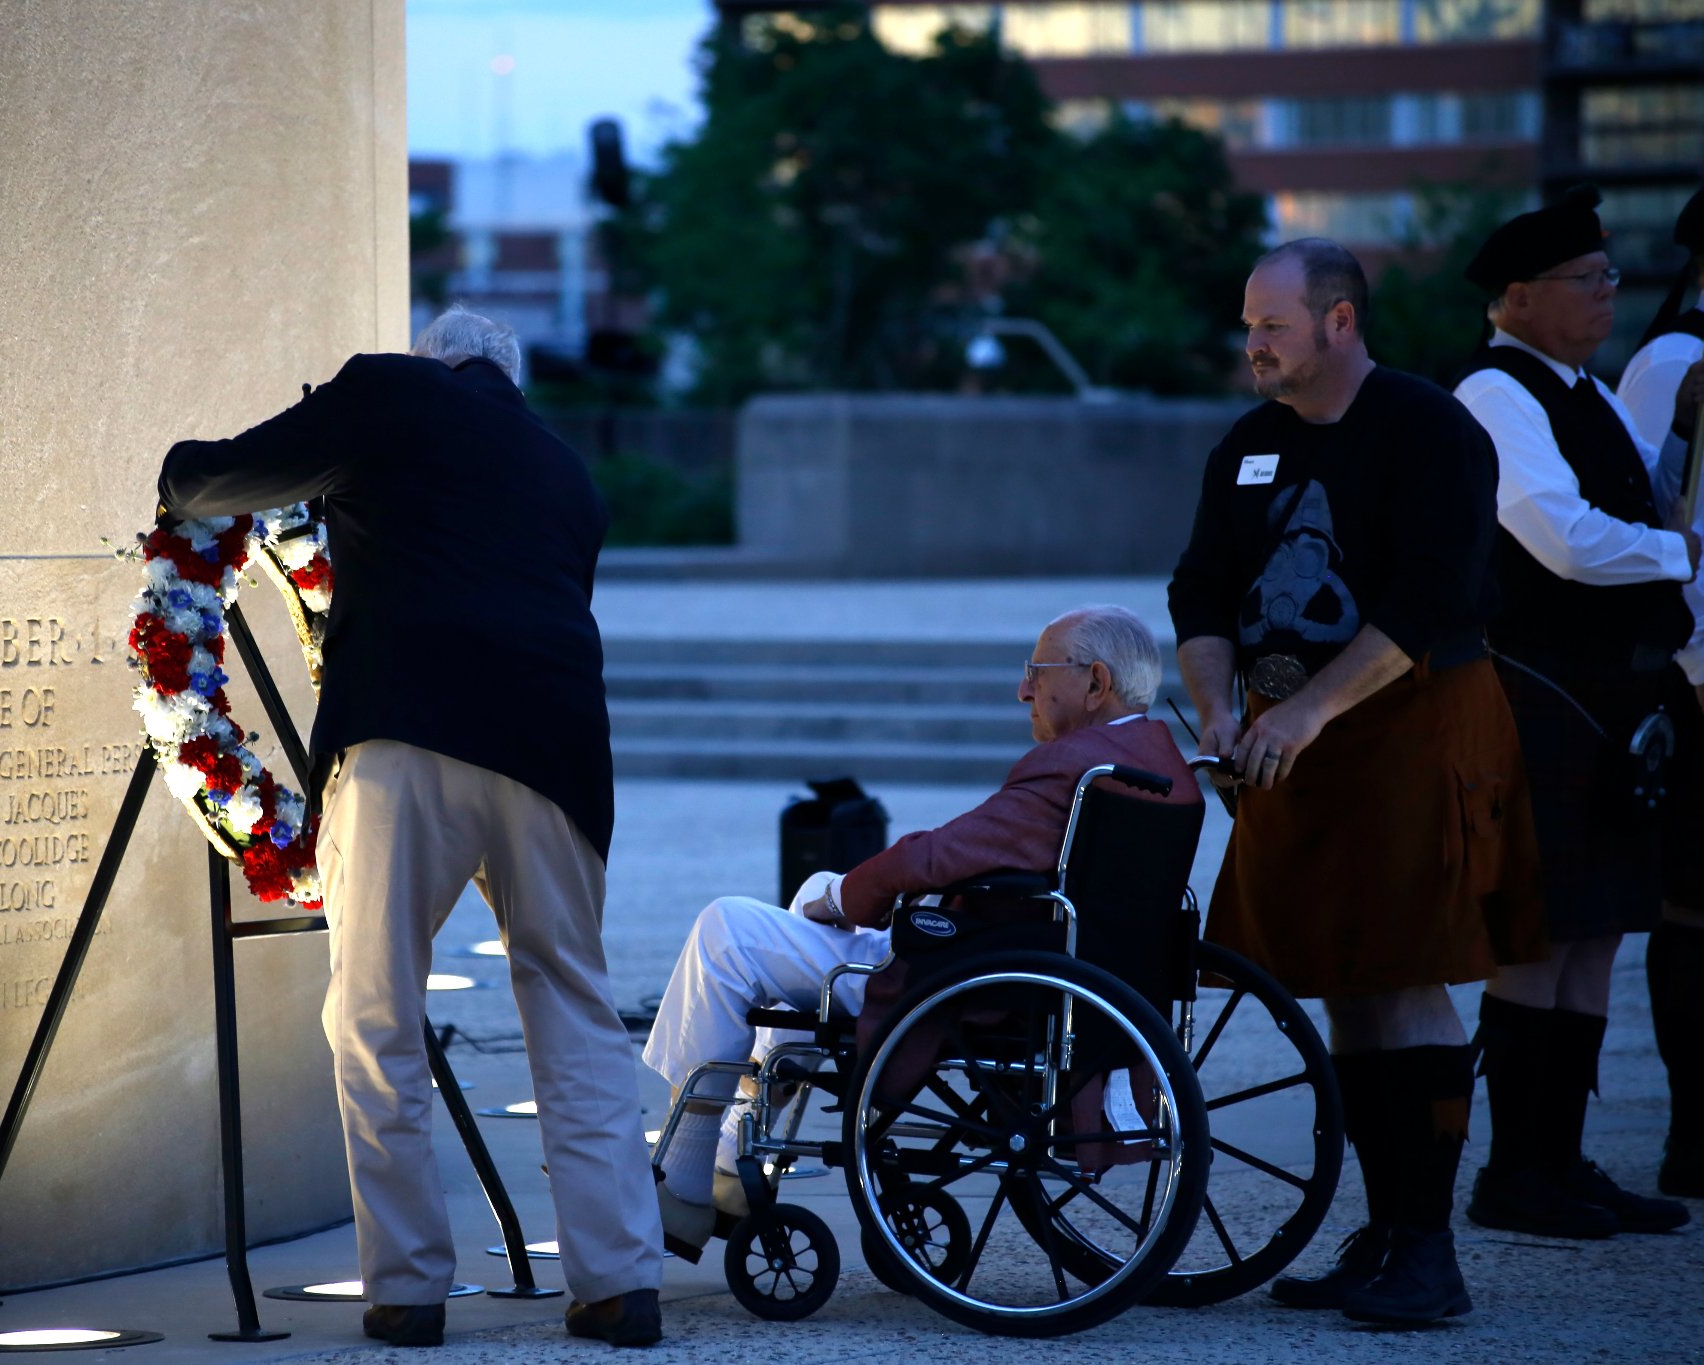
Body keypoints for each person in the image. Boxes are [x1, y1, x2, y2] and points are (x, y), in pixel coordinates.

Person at [157, 306, 663, 1349]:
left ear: (433, 361)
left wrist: (180, 479)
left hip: (404, 736)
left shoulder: (385, 393)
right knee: (570, 1009)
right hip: (558, 758)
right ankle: (617, 1285)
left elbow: (215, 480)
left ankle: (408, 1290)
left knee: (377, 1012)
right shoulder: (568, 473)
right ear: (507, 379)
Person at [1169, 238, 1546, 1326]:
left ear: (1338, 322)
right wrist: (1214, 706)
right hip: (1290, 750)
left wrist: (1307, 709)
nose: (1251, 343)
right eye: (1246, 324)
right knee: (1341, 976)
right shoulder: (1248, 445)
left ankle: (1427, 1252)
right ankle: (1382, 1232)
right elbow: (1198, 587)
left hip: (1408, 728)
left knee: (1403, 974)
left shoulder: (1428, 429)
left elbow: (1434, 594)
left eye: (1270, 325)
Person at [640, 605, 1198, 1260]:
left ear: (1096, 682)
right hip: (1048, 963)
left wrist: (851, 895)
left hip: (967, 977)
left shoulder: (1073, 766)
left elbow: (936, 855)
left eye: (1035, 672)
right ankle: (737, 1147)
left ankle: (689, 1172)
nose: (1023, 690)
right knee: (804, 898)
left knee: (725, 929)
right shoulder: (1159, 763)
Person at [1453, 187, 1698, 1241]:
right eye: (1584, 281)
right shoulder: (1493, 390)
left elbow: (1639, 498)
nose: (1608, 295)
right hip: (1540, 693)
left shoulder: (1582, 388)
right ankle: (1513, 1170)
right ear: (1516, 296)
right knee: (1539, 933)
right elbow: (1554, 534)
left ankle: (1558, 1159)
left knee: (1595, 933)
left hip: (1615, 695)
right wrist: (1676, 554)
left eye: (1607, 277)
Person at [1617, 184, 1704, 1198]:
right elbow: (1643, 514)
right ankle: (1691, 1131)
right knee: (1693, 905)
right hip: (1694, 671)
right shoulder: (1673, 361)